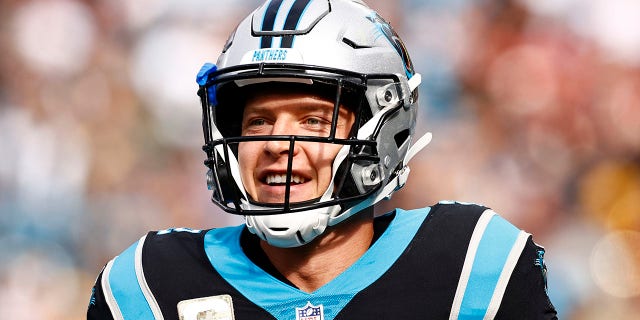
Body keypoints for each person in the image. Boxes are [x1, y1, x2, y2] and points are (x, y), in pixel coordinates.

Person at [88, 0, 557, 319]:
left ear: (382, 128)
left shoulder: (473, 267)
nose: (277, 142)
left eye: (314, 120)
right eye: (258, 122)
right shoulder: (150, 286)